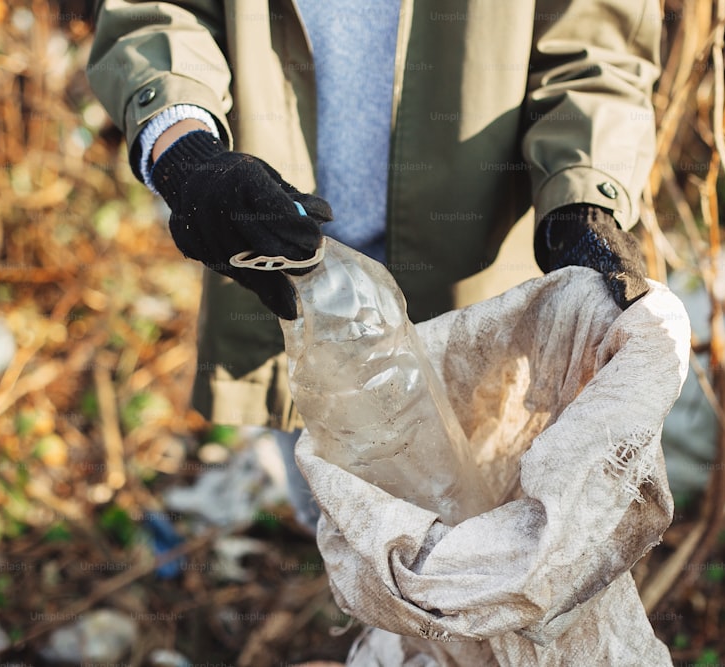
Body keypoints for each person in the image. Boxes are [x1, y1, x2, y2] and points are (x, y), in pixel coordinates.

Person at [88, 0, 659, 535]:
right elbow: (157, 14)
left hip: (485, 301)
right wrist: (187, 154)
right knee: (356, 553)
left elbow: (595, 49)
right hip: (289, 296)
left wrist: (584, 203)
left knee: (498, 548)